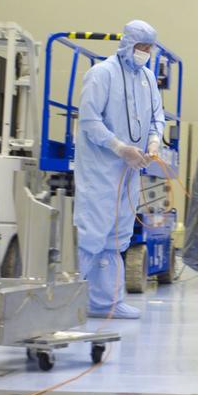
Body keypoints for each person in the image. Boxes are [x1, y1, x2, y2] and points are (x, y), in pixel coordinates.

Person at [74, 20, 165, 319]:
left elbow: (157, 117)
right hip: (101, 170)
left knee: (117, 236)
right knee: (92, 234)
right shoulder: (102, 74)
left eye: (150, 48)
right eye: (141, 47)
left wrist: (153, 142)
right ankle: (70, 301)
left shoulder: (148, 78)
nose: (145, 53)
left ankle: (106, 303)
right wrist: (119, 148)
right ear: (127, 44)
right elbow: (89, 120)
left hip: (131, 170)